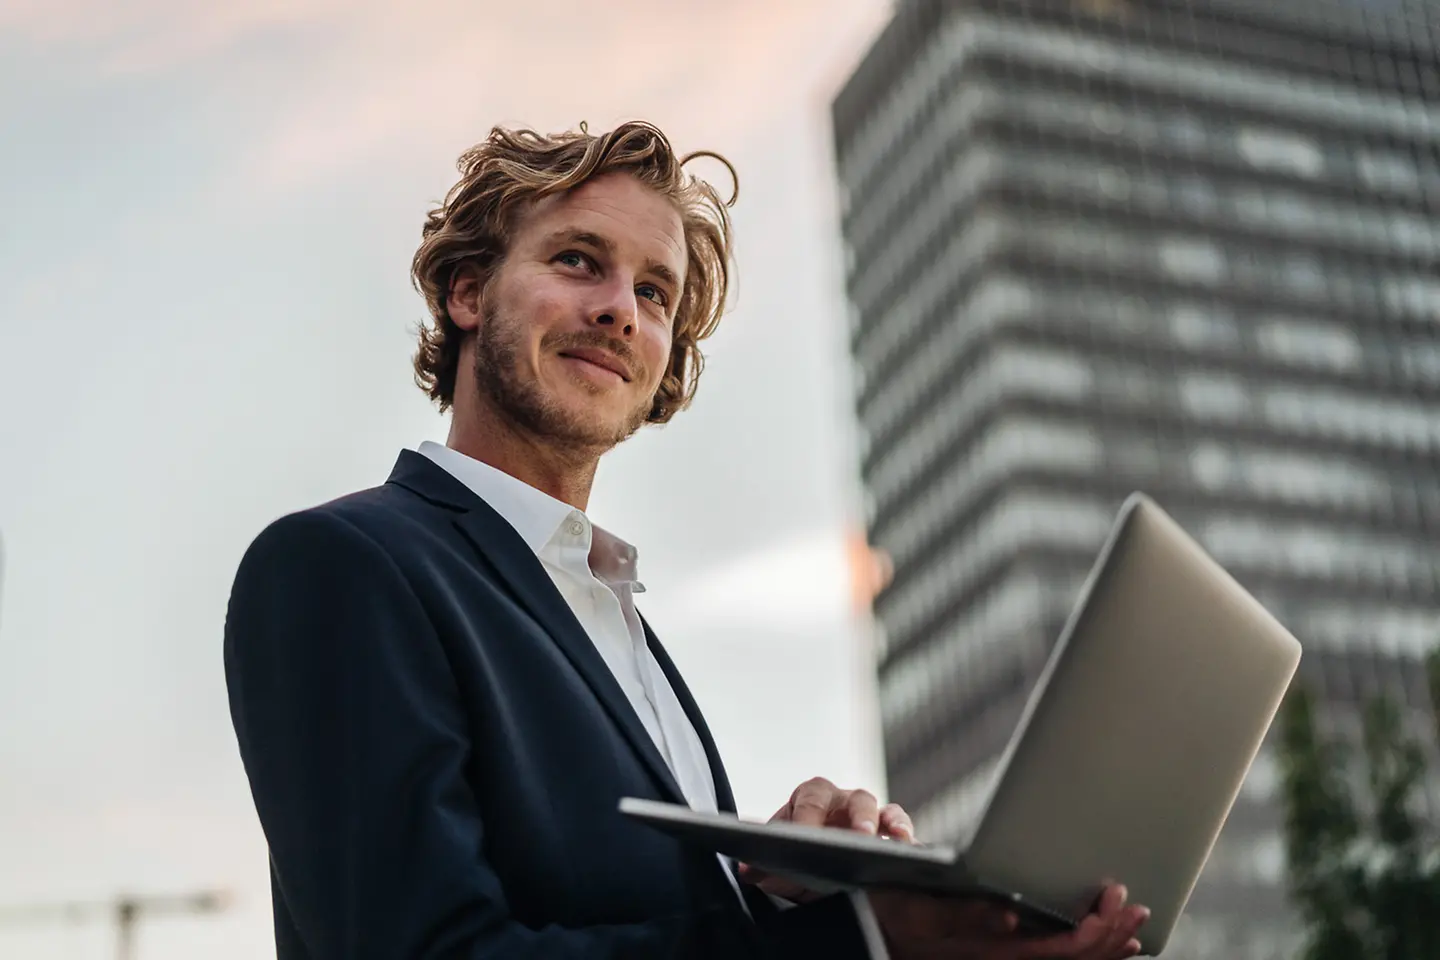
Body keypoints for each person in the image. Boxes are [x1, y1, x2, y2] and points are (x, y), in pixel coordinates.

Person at [223, 120, 1149, 960]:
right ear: (468, 292)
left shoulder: (616, 621)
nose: (622, 308)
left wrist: (787, 895)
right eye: (580, 260)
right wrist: (864, 941)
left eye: (654, 291)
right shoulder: (344, 566)